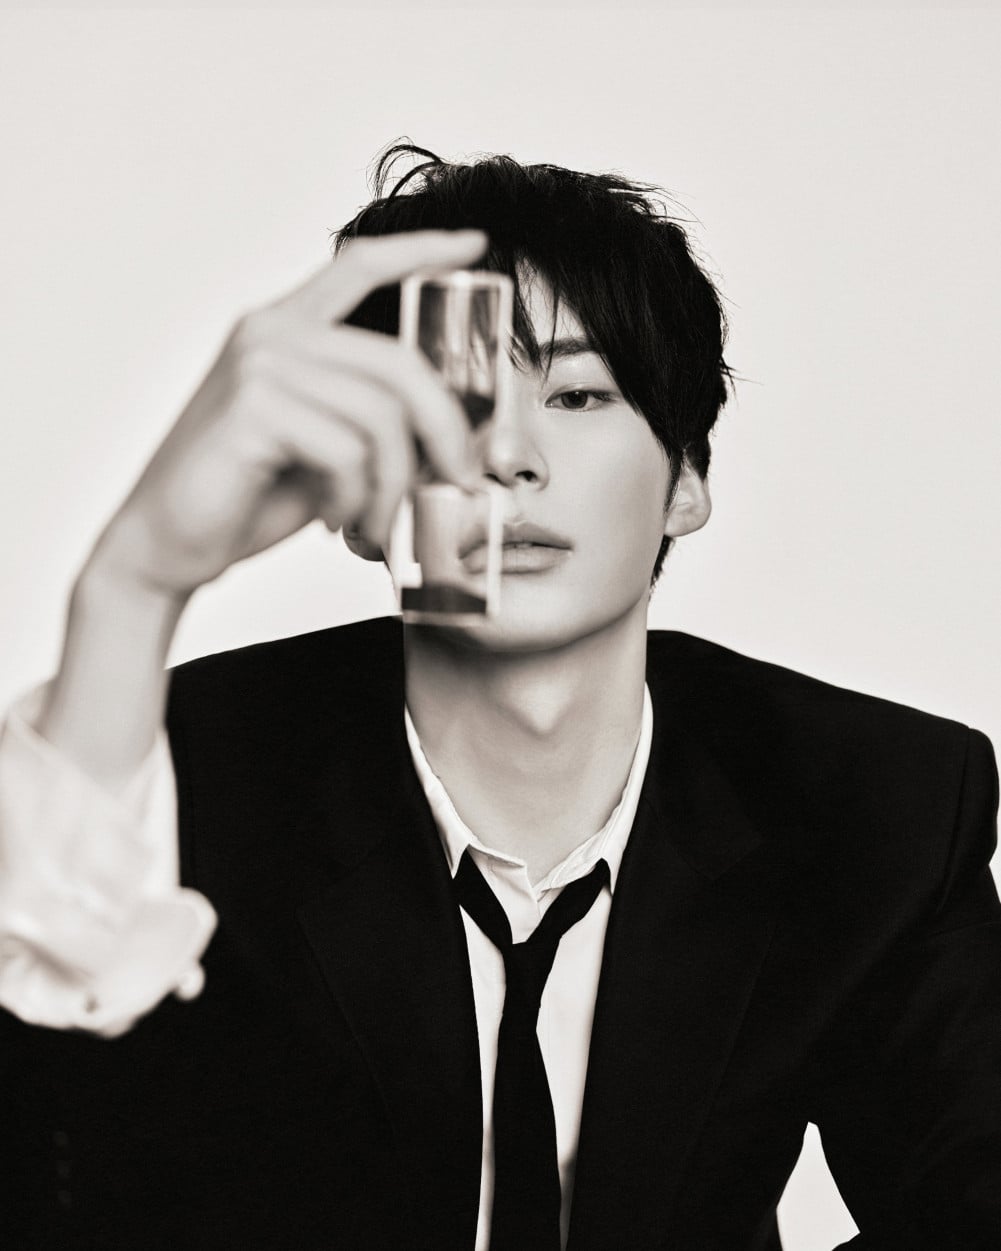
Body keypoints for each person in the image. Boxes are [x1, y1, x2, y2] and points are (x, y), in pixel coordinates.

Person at [0, 144, 998, 1251]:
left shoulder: (875, 803)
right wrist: (133, 584)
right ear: (357, 497)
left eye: (578, 394)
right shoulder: (175, 776)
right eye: (452, 402)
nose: (509, 457)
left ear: (684, 480)